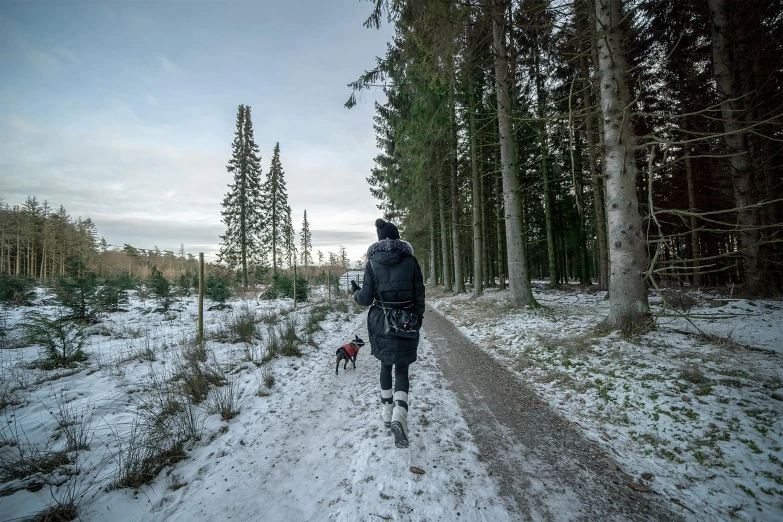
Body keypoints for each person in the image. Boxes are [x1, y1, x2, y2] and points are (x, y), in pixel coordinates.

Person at [351, 218, 425, 448]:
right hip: (406, 321)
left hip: (381, 321)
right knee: (402, 367)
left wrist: (355, 293)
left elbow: (365, 299)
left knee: (385, 365)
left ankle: (386, 413)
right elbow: (420, 296)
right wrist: (416, 320)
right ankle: (399, 416)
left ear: (380, 240)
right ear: (398, 238)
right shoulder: (411, 261)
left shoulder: (372, 262)